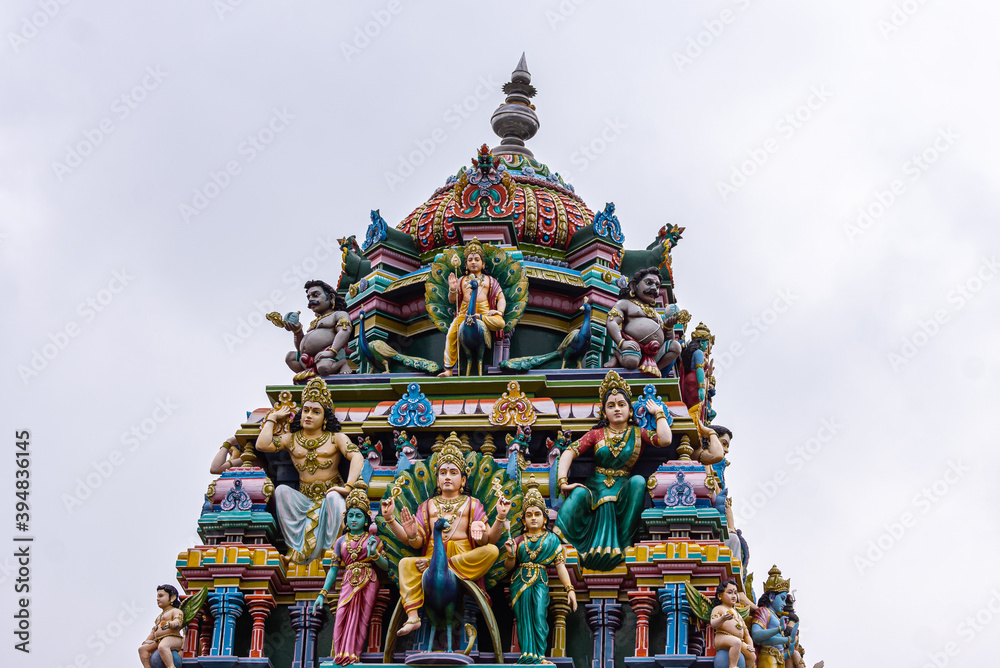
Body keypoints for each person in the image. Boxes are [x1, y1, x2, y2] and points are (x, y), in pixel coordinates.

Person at [555, 370, 719, 570]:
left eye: (622, 404)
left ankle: (624, 546)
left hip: (622, 487)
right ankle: (559, 543)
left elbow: (665, 439)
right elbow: (569, 452)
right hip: (595, 486)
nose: (617, 409)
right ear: (604, 413)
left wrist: (658, 412)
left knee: (639, 482)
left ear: (630, 411)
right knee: (579, 492)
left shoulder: (637, 433)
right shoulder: (596, 434)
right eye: (611, 405)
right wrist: (562, 480)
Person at [380, 438, 511, 635]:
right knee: (405, 564)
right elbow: (416, 542)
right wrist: (392, 520)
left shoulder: (472, 504)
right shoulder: (428, 506)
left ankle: (443, 565)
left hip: (461, 559)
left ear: (463, 480)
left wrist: (499, 517)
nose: (447, 477)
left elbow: (488, 541)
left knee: (491, 551)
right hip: (431, 557)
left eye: (453, 472)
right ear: (437, 479)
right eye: (443, 473)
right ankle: (412, 616)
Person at [255, 377, 364, 564]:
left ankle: (332, 551)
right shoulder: (291, 439)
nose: (308, 415)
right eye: (305, 410)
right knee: (281, 491)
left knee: (333, 500)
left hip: (332, 493)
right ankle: (296, 550)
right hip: (304, 498)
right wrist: (273, 418)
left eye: (315, 411)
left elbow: (357, 456)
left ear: (325, 418)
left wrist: (347, 487)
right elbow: (262, 444)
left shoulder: (335, 438)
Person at [504, 484, 577, 664]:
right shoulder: (519, 540)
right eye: (528, 515)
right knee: (523, 619)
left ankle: (539, 655)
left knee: (538, 616)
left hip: (540, 581)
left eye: (537, 514)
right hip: (520, 581)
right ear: (523, 521)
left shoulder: (552, 540)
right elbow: (509, 566)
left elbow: (560, 565)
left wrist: (570, 589)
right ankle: (527, 654)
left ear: (545, 519)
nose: (533, 518)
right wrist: (510, 553)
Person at [313, 488, 387, 665]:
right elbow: (333, 569)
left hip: (368, 579)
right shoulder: (340, 541)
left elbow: (386, 566)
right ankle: (340, 653)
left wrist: (374, 554)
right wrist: (322, 593)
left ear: (366, 519)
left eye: (358, 516)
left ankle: (353, 654)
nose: (354, 520)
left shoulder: (373, 540)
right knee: (341, 616)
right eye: (351, 516)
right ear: (346, 519)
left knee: (362, 618)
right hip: (348, 580)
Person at [438, 238, 506, 376]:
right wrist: (452, 289)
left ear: (483, 263)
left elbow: (501, 298)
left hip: (485, 314)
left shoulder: (490, 281)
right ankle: (448, 370)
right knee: (451, 334)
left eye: (476, 259)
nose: (473, 262)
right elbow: (452, 300)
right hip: (464, 314)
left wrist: (499, 311)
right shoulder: (461, 280)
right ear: (466, 264)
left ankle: (481, 317)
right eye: (470, 260)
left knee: (500, 323)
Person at [604, 267, 682, 377]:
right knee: (631, 362)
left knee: (676, 347)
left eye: (657, 286)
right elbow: (612, 322)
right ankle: (618, 355)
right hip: (633, 347)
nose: (654, 288)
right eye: (649, 283)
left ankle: (653, 371)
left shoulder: (656, 314)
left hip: (654, 353)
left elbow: (668, 340)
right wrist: (621, 342)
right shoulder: (625, 304)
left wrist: (668, 328)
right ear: (633, 286)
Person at [272, 279, 353, 382]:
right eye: (309, 297)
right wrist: (297, 332)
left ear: (331, 297)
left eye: (315, 295)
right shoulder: (314, 323)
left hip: (329, 355)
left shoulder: (338, 314)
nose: (311, 299)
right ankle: (311, 377)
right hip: (310, 358)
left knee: (324, 368)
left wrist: (332, 352)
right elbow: (300, 348)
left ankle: (342, 364)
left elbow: (344, 331)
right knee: (290, 357)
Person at [710, 580, 756, 668]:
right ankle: (733, 666)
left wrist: (750, 646)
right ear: (720, 596)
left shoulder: (738, 614)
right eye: (730, 593)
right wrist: (723, 618)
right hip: (722, 638)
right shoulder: (719, 609)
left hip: (739, 641)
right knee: (736, 642)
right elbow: (713, 624)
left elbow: (746, 635)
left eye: (735, 593)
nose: (734, 596)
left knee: (752, 655)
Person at [138, 585, 184, 668]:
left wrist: (169, 624)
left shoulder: (176, 611)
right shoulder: (159, 617)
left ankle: (171, 666)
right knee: (142, 649)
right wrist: (147, 640)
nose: (158, 599)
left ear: (172, 598)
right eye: (157, 597)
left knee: (163, 646)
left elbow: (178, 622)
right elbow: (154, 631)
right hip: (159, 640)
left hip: (173, 638)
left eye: (161, 596)